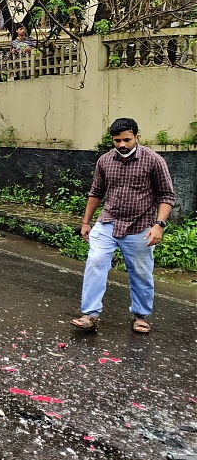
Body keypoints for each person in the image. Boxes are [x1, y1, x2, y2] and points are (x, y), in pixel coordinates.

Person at [71, 118, 175, 334]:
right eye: (117, 140)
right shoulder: (105, 161)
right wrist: (85, 222)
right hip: (108, 222)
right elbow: (96, 192)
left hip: (140, 226)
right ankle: (90, 314)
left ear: (137, 136)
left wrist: (159, 225)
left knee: (140, 272)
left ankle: (140, 315)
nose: (122, 145)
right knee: (96, 262)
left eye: (127, 139)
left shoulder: (154, 161)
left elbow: (166, 195)